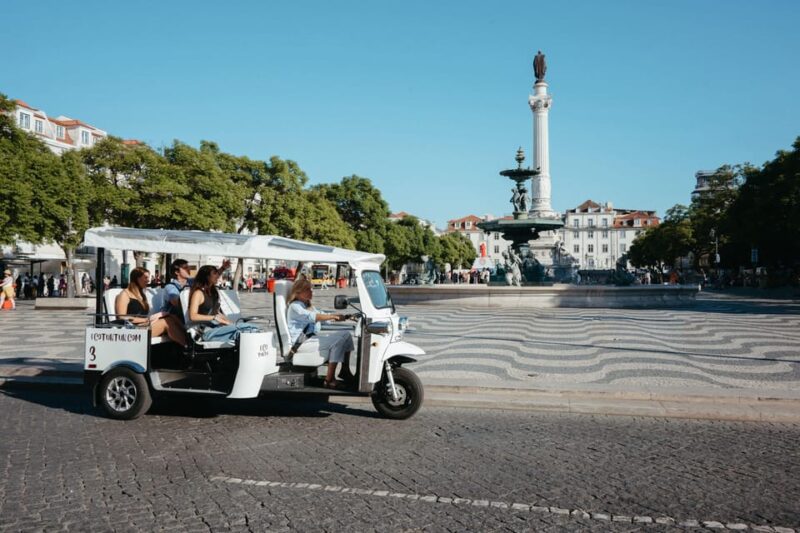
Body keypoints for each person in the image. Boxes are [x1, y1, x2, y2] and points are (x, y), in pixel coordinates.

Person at [286, 278, 354, 389]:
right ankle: (329, 380)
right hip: (300, 344)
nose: (311, 291)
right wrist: (333, 316)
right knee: (339, 340)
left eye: (311, 289)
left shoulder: (307, 305)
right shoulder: (295, 306)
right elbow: (314, 317)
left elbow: (322, 315)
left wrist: (344, 317)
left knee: (346, 335)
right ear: (298, 292)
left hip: (310, 339)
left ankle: (344, 370)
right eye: (307, 289)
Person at [115, 267, 187, 346]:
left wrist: (153, 318)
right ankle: (188, 347)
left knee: (172, 317)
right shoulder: (124, 294)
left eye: (148, 278)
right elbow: (121, 318)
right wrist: (146, 319)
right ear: (137, 279)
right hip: (132, 329)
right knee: (166, 322)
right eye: (145, 277)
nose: (148, 280)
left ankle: (190, 340)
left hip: (143, 325)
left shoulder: (141, 294)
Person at [162, 258, 231, 323]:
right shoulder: (170, 287)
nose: (189, 269)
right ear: (177, 272)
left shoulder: (191, 282)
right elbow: (179, 304)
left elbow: (209, 277)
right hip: (174, 318)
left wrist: (223, 268)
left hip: (188, 317)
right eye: (185, 268)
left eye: (188, 267)